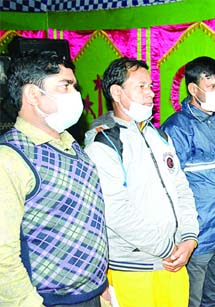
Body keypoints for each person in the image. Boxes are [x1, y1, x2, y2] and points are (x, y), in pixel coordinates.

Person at [83, 57, 199, 307]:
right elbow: (115, 212)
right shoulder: (104, 146)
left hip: (174, 261)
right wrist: (167, 247)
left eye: (151, 86)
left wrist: (189, 238)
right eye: (142, 86)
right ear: (117, 92)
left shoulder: (159, 136)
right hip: (133, 269)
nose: (151, 93)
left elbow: (182, 189)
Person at [0, 51, 108, 307]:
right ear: (33, 95)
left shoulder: (72, 146)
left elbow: (90, 220)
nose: (76, 95)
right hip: (46, 300)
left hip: (90, 293)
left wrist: (100, 285)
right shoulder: (10, 158)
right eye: (65, 86)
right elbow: (2, 252)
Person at [161, 56, 215, 307]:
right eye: (213, 87)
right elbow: (171, 185)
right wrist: (184, 233)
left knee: (214, 298)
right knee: (191, 300)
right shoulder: (177, 128)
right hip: (198, 235)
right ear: (194, 89)